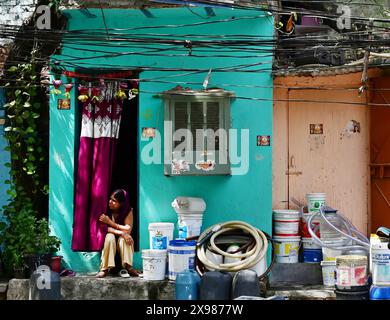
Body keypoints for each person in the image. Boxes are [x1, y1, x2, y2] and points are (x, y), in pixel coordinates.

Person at [96, 189, 141, 278]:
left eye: (114, 201)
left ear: (121, 204)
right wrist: (122, 233)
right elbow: (104, 228)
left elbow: (128, 229)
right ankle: (104, 269)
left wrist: (110, 222)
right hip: (108, 241)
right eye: (110, 199)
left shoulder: (127, 210)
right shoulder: (104, 209)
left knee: (126, 238)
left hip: (121, 240)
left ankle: (129, 267)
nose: (110, 202)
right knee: (110, 236)